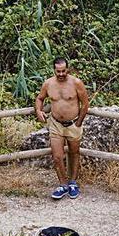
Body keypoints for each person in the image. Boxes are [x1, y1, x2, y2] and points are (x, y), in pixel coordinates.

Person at [35, 57, 90, 200]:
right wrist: (39, 111)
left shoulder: (76, 83)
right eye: (58, 71)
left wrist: (78, 122)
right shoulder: (48, 83)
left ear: (68, 69)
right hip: (55, 124)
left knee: (74, 153)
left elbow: (85, 104)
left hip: (73, 124)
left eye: (63, 71)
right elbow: (40, 98)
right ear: (54, 70)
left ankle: (73, 182)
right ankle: (63, 184)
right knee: (57, 157)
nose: (60, 74)